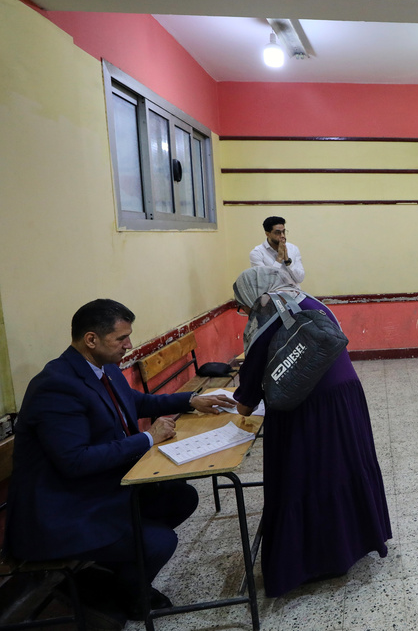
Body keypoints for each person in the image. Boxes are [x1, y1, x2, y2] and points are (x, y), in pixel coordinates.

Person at [4, 299, 231, 625]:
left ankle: (121, 575)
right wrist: (148, 438)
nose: (129, 345)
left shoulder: (104, 368)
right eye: (121, 338)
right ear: (91, 339)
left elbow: (135, 402)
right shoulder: (56, 386)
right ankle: (128, 590)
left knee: (180, 496)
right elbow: (75, 461)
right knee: (159, 542)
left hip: (97, 489)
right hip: (63, 511)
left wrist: (191, 400)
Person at [231, 267, 391, 597]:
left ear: (252, 294)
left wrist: (235, 400)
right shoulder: (307, 300)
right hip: (345, 397)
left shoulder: (268, 312)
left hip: (309, 408)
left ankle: (316, 560)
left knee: (306, 477)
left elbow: (246, 401)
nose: (244, 311)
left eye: (241, 305)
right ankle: (355, 542)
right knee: (344, 468)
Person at [250, 215, 305, 287]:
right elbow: (265, 282)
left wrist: (287, 261)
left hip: (294, 292)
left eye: (283, 232)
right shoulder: (257, 253)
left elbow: (300, 278)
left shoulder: (293, 248)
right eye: (277, 233)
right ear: (267, 234)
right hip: (273, 293)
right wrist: (279, 259)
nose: (282, 236)